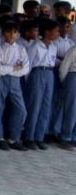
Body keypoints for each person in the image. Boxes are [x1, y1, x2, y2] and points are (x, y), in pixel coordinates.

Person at [0, 21, 30, 151]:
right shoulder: (0, 49)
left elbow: (25, 68)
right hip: (2, 80)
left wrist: (10, 69)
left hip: (15, 81)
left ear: (18, 34)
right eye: (9, 31)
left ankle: (14, 138)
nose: (12, 34)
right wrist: (14, 67)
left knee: (21, 110)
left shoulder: (21, 49)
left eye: (15, 32)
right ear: (3, 34)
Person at [23, 18, 59, 150]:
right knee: (35, 106)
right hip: (37, 73)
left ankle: (39, 136)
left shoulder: (54, 47)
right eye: (55, 31)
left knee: (46, 106)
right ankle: (29, 137)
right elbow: (29, 64)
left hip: (49, 73)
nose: (57, 33)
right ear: (47, 31)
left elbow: (53, 62)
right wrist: (28, 81)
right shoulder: (35, 46)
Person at [58, 44, 76, 149]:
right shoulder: (73, 50)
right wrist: (66, 82)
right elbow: (64, 67)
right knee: (71, 109)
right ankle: (66, 137)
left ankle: (74, 137)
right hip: (73, 76)